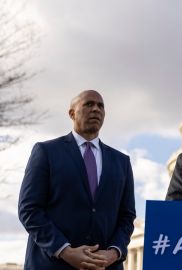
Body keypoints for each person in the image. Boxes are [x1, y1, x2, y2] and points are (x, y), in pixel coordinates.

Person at [18, 90, 136, 270]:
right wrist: (64, 250)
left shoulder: (121, 162)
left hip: (105, 266)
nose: (96, 109)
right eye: (89, 104)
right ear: (72, 113)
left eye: (101, 106)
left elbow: (127, 216)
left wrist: (114, 252)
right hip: (52, 264)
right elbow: (29, 209)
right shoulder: (46, 152)